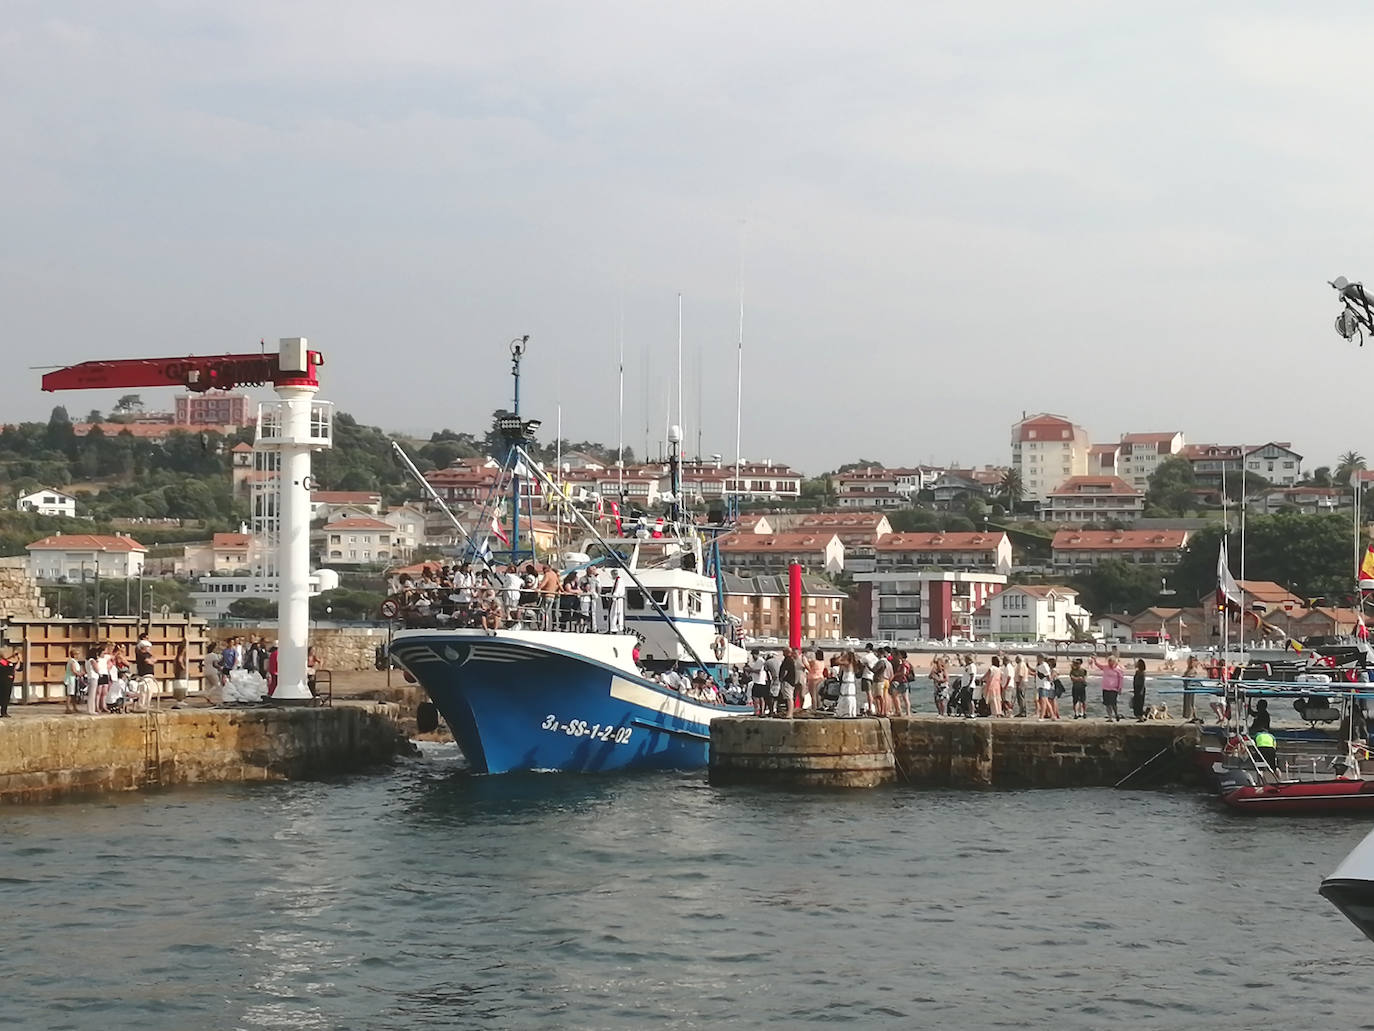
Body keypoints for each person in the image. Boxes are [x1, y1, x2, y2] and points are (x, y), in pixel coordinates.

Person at [1094, 653, 1125, 721]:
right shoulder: (1105, 667)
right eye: (1109, 662)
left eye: (1111, 662)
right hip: (1105, 688)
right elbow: (1098, 665)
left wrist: (1120, 688)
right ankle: (1110, 717)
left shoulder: (1118, 669)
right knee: (1107, 704)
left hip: (1114, 689)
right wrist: (1095, 660)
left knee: (1113, 703)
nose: (1110, 664)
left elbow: (1121, 679)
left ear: (1114, 662)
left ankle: (1116, 714)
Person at [833, 651, 859, 718]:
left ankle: (845, 712)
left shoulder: (847, 663)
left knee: (846, 697)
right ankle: (850, 712)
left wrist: (841, 656)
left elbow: (836, 661)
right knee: (849, 697)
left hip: (847, 683)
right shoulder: (853, 664)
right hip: (850, 683)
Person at [891, 650, 913, 716]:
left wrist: (896, 674)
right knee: (904, 697)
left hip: (903, 682)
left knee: (897, 695)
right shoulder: (905, 663)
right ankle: (906, 712)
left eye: (899, 655)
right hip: (904, 682)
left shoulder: (904, 663)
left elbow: (903, 672)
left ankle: (901, 711)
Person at [747, 649, 768, 716]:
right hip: (756, 681)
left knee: (759, 697)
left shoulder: (760, 661)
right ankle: (758, 710)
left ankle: (760, 711)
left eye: (753, 655)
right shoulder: (756, 662)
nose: (752, 657)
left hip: (760, 681)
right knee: (755, 697)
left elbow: (758, 671)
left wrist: (750, 670)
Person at [0, 650, 21, 717]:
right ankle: (3, 712)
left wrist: (19, 659)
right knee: (3, 697)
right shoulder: (4, 663)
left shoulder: (7, 662)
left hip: (7, 683)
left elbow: (17, 668)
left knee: (5, 698)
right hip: (3, 682)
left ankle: (4, 712)